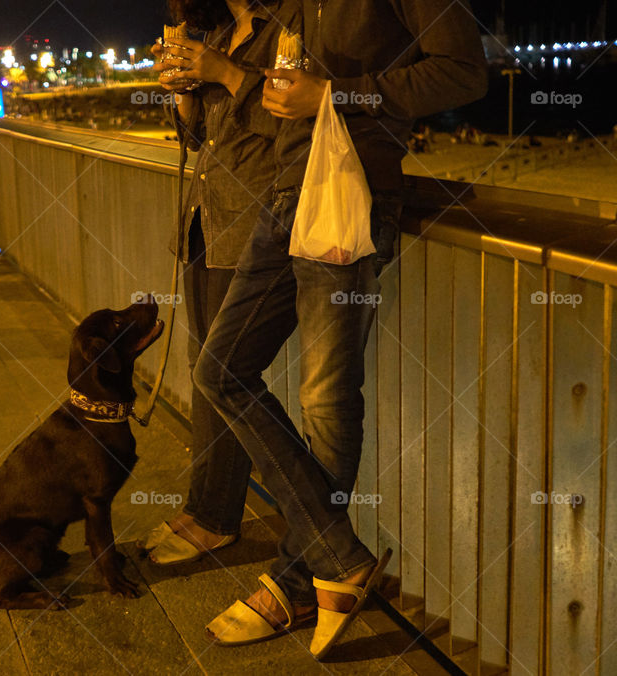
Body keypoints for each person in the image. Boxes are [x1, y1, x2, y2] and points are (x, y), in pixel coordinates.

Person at [187, 0, 488, 657]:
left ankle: (297, 583)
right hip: (286, 193)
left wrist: (336, 93)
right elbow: (278, 105)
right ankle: (338, 554)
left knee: (325, 397)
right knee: (219, 370)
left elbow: (464, 72)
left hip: (352, 190)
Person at [137, 0, 283, 568]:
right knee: (205, 374)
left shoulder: (285, 31)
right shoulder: (223, 31)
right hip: (205, 222)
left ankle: (218, 517)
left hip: (252, 227)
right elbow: (198, 137)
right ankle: (204, 509)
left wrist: (223, 71)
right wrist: (182, 85)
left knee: (222, 375)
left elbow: (293, 125)